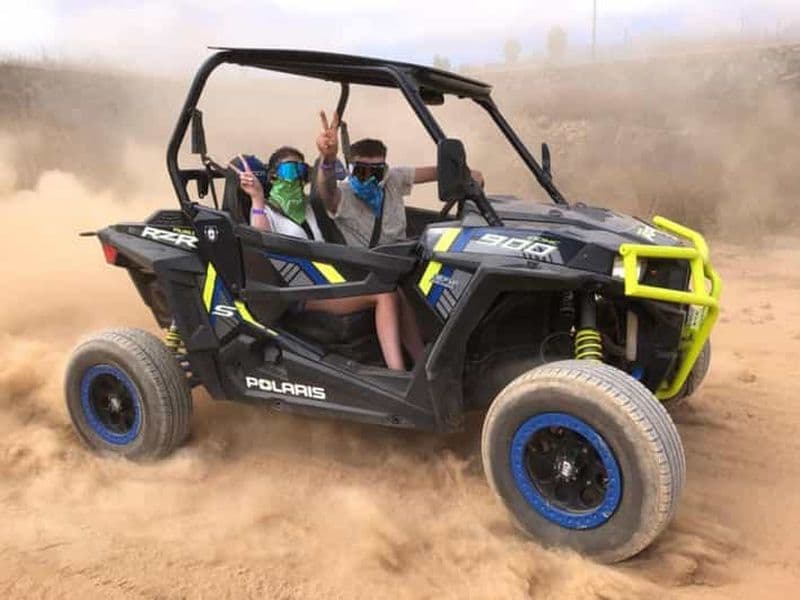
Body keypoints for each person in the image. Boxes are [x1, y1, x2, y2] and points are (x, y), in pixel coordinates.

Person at [230, 148, 421, 371]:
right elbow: (259, 242)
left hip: (326, 280)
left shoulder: (307, 208)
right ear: (273, 176)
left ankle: (422, 364)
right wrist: (256, 198)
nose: (298, 177)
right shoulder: (266, 212)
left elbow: (328, 192)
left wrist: (328, 160)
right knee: (385, 294)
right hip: (300, 292)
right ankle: (398, 375)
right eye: (290, 170)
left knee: (395, 287)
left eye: (302, 171)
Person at [314, 110, 483, 247]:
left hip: (403, 260)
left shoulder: (393, 178)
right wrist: (328, 159)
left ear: (385, 169)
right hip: (374, 271)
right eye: (361, 171)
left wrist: (465, 173)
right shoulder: (343, 195)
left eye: (376, 172)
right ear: (352, 170)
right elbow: (327, 189)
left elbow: (439, 172)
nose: (368, 179)